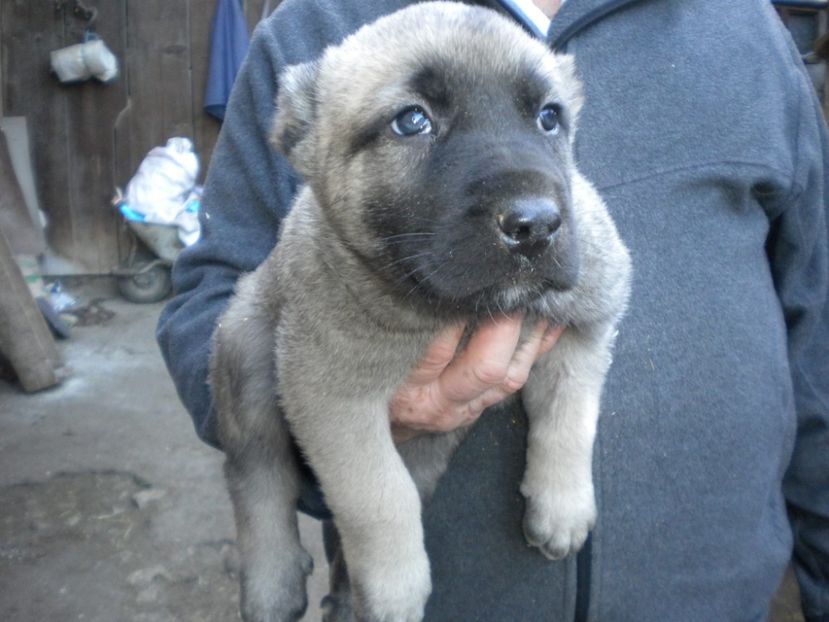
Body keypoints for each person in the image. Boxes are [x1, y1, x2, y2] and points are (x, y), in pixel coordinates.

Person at [156, 0, 829, 619]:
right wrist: (320, 445)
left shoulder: (743, 29)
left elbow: (815, 316)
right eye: (411, 121)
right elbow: (214, 295)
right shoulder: (319, 27)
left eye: (546, 119)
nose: (531, 204)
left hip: (711, 596)